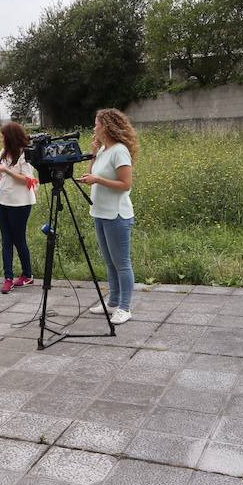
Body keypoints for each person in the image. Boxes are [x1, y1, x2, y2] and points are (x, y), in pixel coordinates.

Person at [79, 108, 139, 325]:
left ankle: (125, 307)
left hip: (117, 215)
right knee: (109, 262)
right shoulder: (104, 150)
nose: (94, 127)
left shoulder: (120, 151)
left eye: (96, 123)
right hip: (100, 212)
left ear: (106, 126)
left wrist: (97, 180)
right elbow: (93, 173)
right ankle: (113, 301)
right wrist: (93, 156)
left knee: (122, 263)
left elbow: (126, 184)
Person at [0, 122, 37, 293]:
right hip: (1, 199)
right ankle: (8, 277)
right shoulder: (3, 153)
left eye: (3, 136)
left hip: (20, 203)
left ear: (10, 137)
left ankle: (27, 274)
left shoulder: (24, 155)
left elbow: (28, 180)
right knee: (6, 240)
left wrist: (7, 170)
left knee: (18, 239)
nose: (1, 138)